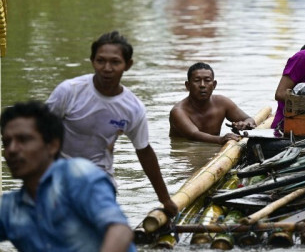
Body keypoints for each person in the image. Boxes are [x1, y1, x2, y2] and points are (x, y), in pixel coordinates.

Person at [46, 31, 178, 217]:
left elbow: (144, 151)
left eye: (115, 62)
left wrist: (165, 199)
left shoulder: (133, 108)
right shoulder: (69, 91)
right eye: (101, 61)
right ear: (92, 61)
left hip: (99, 179)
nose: (107, 68)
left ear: (127, 65)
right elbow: (38, 131)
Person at [0, 101, 135, 252]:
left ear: (52, 146)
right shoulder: (10, 209)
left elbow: (120, 230)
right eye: (6, 142)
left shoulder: (76, 175)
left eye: (23, 140)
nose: (11, 150)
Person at [169, 62, 256, 144]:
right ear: (188, 85)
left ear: (214, 85)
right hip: (185, 155)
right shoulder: (178, 111)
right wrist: (220, 139)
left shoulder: (222, 103)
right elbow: (194, 134)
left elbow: (249, 119)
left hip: (213, 149)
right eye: (197, 80)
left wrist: (244, 125)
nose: (202, 85)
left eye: (207, 80)